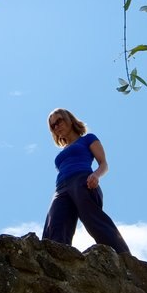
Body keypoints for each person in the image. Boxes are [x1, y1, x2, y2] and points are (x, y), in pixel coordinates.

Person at [42, 107, 130, 255]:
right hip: (61, 188)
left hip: (82, 179)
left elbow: (104, 164)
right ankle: (55, 264)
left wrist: (96, 175)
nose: (57, 126)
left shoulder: (88, 139)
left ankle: (124, 258)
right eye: (53, 126)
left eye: (59, 121)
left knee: (93, 220)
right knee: (55, 225)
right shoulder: (62, 152)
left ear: (69, 119)